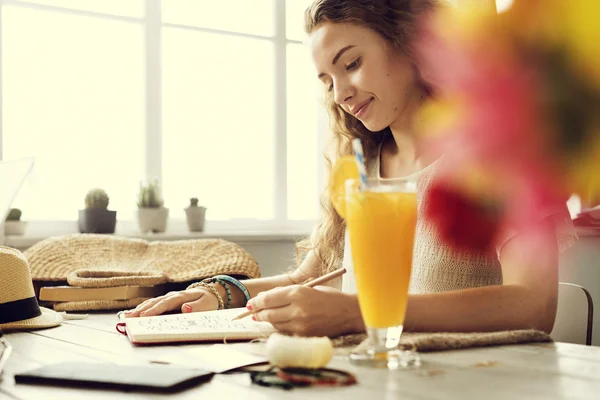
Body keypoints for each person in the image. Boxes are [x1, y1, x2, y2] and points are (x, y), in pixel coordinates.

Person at [125, 0, 576, 337]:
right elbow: (313, 279)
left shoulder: (500, 150)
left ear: (412, 44)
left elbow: (533, 304)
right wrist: (224, 293)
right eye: (327, 80)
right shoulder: (360, 169)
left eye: (352, 64)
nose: (340, 93)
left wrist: (361, 311)